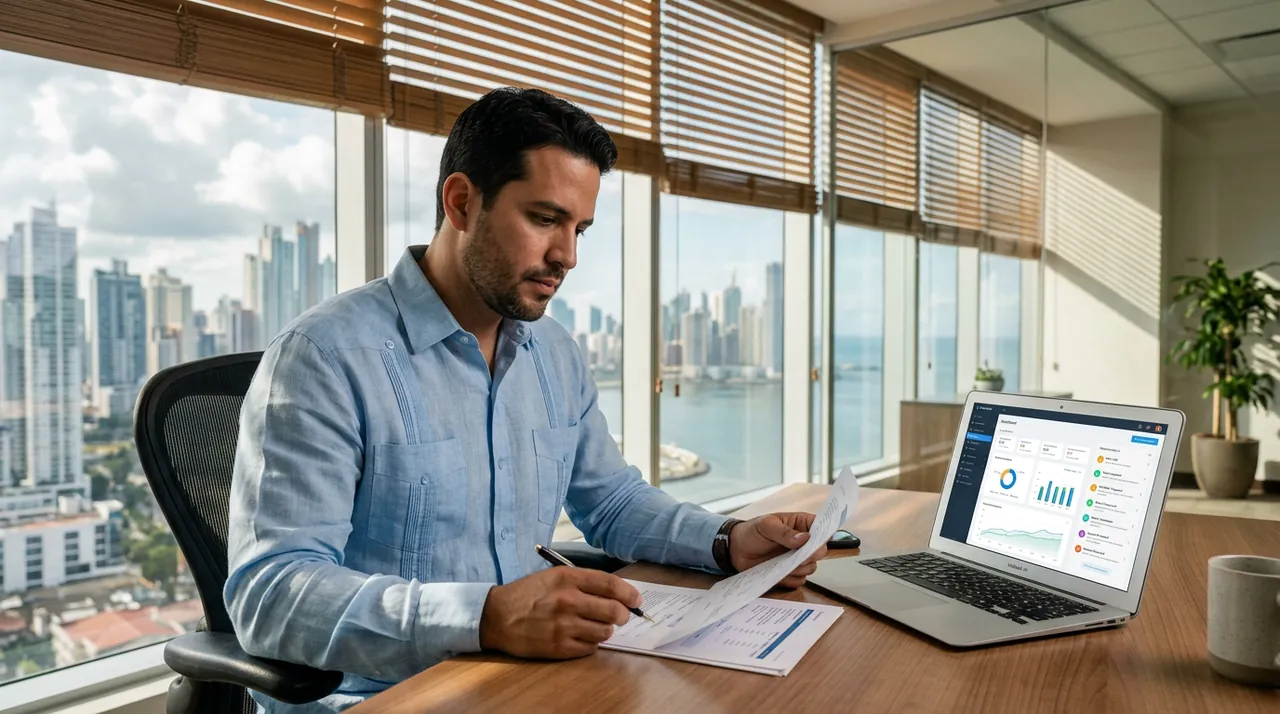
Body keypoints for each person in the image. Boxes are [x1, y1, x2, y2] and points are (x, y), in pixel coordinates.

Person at [224, 87, 828, 712]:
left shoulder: (554, 353)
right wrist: (484, 616)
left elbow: (613, 501)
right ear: (461, 202)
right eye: (544, 219)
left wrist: (728, 540)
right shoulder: (324, 356)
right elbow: (271, 595)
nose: (566, 255)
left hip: (527, 680)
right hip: (382, 698)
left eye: (579, 228)